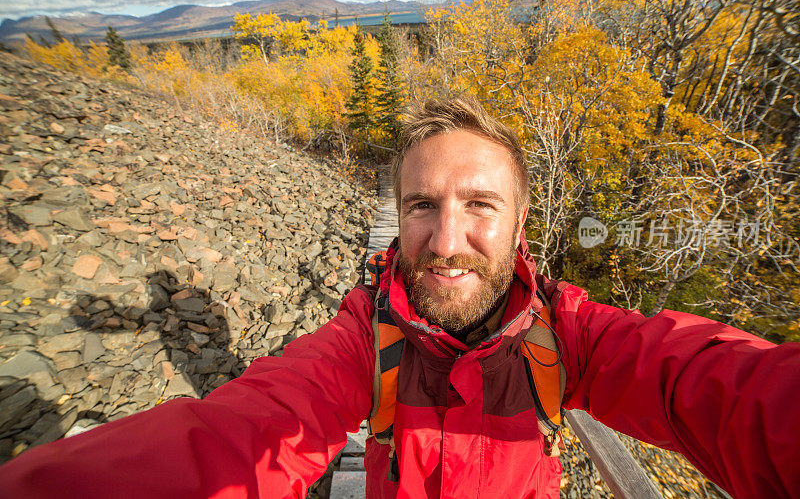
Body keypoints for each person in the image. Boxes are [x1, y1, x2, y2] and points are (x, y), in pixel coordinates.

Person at [0, 96, 798, 498]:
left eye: (479, 205)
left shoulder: (574, 335)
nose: (446, 240)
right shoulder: (363, 336)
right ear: (398, 215)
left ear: (522, 223)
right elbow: (248, 428)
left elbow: (712, 384)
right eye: (422, 206)